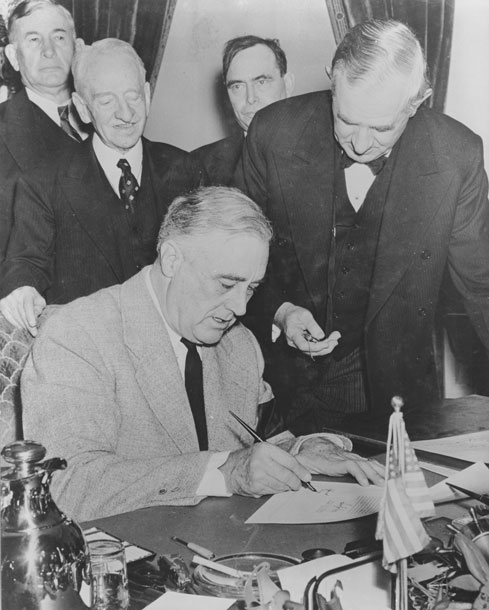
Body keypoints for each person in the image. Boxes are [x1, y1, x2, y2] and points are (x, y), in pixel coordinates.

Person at [21, 186, 383, 521]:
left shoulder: (238, 345)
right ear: (172, 259)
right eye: (226, 284)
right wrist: (222, 473)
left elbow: (260, 444)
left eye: (251, 288)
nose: (240, 307)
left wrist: (307, 450)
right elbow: (66, 486)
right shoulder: (78, 333)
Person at [238, 19, 489, 433]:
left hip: (396, 397)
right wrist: (280, 311)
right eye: (347, 120)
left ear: (417, 101)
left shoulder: (456, 156)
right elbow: (232, 258)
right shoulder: (273, 134)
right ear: (332, 84)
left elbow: (483, 286)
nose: (359, 143)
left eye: (382, 128)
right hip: (279, 388)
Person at [0, 38, 201, 336]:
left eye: (133, 96)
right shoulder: (42, 180)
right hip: (90, 346)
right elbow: (26, 260)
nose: (125, 114)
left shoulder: (187, 170)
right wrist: (22, 289)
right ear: (82, 108)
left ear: (147, 94)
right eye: (107, 101)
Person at [0, 0, 86, 263]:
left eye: (59, 37)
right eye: (34, 39)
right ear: (14, 57)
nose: (49, 51)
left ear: (76, 47)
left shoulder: (109, 117)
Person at [192, 35, 294, 186]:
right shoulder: (200, 165)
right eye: (237, 86)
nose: (250, 98)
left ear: (288, 84)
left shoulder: (327, 151)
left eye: (261, 82)